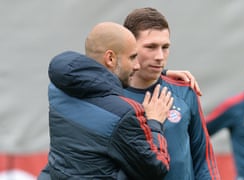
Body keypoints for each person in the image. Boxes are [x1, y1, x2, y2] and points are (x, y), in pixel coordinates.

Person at [38, 22, 174, 180]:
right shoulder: (123, 113)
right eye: (132, 57)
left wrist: (162, 73)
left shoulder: (57, 89)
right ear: (110, 58)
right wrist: (154, 123)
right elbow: (156, 168)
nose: (137, 65)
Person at [123, 7, 220, 180]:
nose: (160, 56)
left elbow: (203, 157)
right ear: (130, 47)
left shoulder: (185, 91)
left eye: (165, 47)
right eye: (151, 47)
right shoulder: (111, 97)